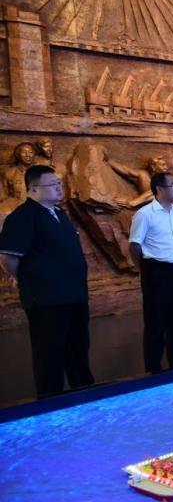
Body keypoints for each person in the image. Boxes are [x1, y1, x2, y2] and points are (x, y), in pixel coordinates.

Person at [0, 165, 94, 397]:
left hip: (74, 296)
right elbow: (9, 258)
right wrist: (25, 279)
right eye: (52, 185)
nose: (59, 188)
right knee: (50, 357)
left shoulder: (59, 214)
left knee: (78, 352)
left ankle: (86, 398)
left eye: (59, 183)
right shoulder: (22, 217)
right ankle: (51, 404)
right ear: (34, 189)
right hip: (47, 300)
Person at [128, 172, 173, 374]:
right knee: (156, 323)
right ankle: (154, 371)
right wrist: (145, 269)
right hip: (157, 272)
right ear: (159, 189)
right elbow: (134, 246)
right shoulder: (145, 214)